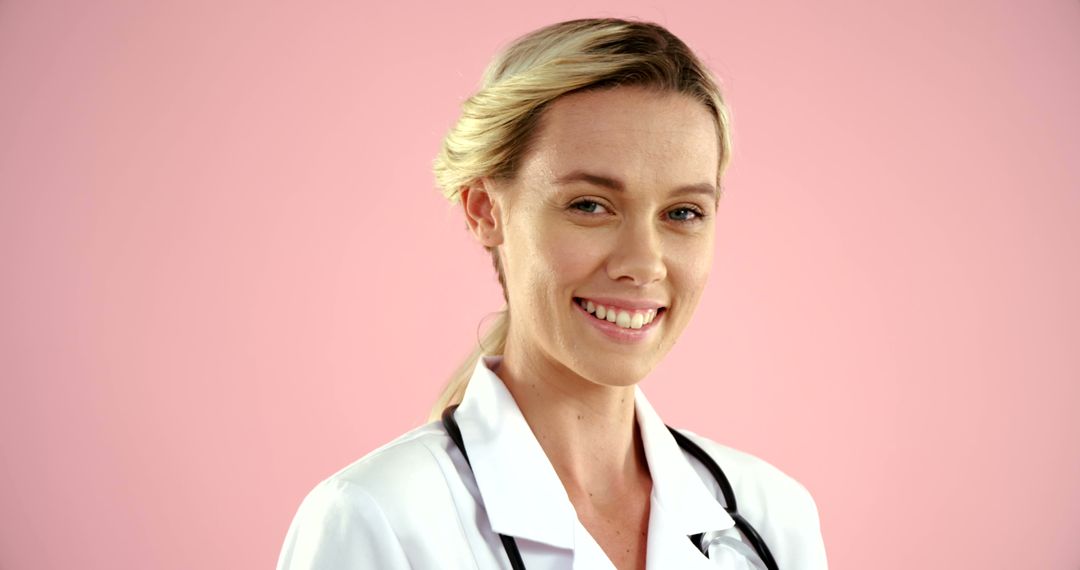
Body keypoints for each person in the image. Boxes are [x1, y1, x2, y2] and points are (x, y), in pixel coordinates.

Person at [277, 17, 828, 570]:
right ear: (486, 210)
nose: (642, 264)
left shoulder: (772, 519)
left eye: (683, 213)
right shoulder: (379, 519)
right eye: (589, 205)